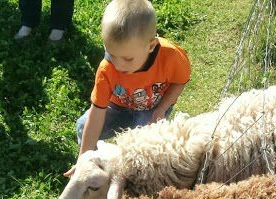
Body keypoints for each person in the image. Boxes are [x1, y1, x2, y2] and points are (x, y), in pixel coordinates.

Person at [72, 0, 190, 166]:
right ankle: (96, 167)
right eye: (112, 54)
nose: (119, 65)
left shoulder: (171, 56)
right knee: (83, 126)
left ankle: (136, 178)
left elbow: (180, 82)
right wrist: (83, 160)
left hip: (152, 109)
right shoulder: (107, 68)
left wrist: (162, 108)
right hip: (118, 107)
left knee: (143, 146)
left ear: (151, 46)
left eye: (127, 58)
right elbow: (97, 112)